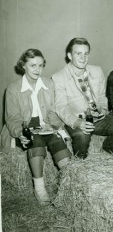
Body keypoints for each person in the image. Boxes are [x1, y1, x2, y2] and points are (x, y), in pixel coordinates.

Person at [2, 49, 71, 205]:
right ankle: (40, 189)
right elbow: (12, 119)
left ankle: (69, 185)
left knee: (57, 141)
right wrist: (21, 134)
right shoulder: (13, 89)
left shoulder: (48, 83)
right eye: (32, 65)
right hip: (22, 130)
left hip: (45, 127)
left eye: (40, 65)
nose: (37, 69)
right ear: (23, 66)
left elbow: (52, 113)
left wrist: (59, 127)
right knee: (36, 141)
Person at [52, 38, 113, 159]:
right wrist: (78, 123)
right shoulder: (58, 77)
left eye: (86, 53)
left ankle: (105, 157)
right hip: (76, 119)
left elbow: (102, 97)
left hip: (97, 118)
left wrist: (103, 110)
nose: (83, 57)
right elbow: (61, 108)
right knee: (82, 136)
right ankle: (80, 165)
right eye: (78, 53)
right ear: (69, 56)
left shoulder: (97, 71)